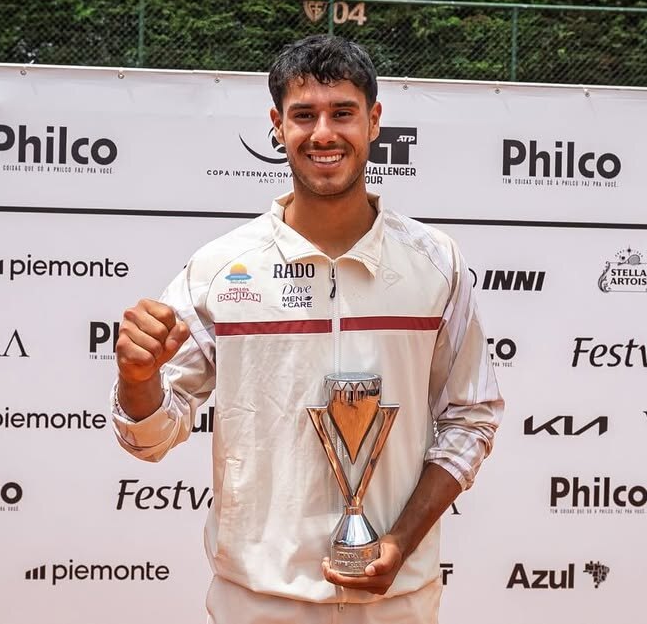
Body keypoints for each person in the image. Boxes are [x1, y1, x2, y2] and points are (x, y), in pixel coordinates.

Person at [111, 34, 503, 623]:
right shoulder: (220, 268)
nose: (324, 133)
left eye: (343, 112)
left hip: (397, 603)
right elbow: (150, 436)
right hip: (258, 602)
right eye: (304, 115)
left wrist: (399, 542)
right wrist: (137, 378)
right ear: (277, 125)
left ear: (374, 121)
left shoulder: (435, 260)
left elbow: (470, 417)